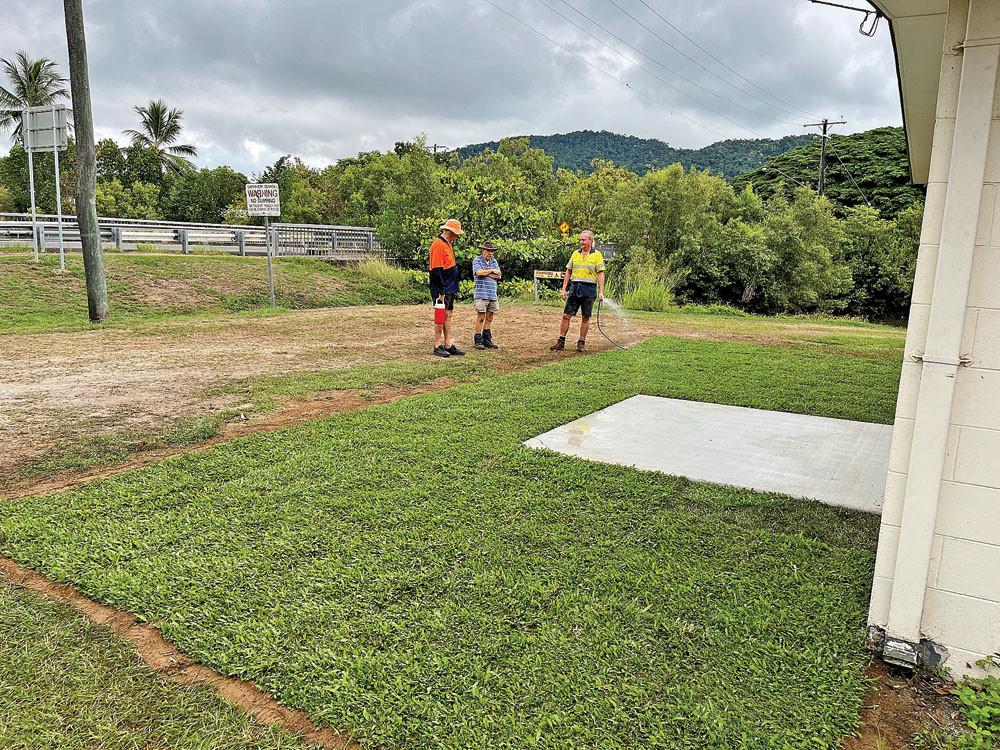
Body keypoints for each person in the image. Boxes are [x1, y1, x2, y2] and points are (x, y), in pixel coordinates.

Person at [551, 230, 605, 353]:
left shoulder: (597, 255)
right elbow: (568, 271)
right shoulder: (575, 254)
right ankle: (561, 341)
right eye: (580, 240)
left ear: (590, 241)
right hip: (575, 288)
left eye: (583, 240)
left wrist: (601, 292)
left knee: (586, 317)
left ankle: (581, 342)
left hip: (589, 289)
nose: (581, 242)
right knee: (566, 315)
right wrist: (564, 289)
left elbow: (600, 274)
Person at [429, 218, 465, 358]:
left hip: (450, 285)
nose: (457, 236)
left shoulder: (448, 244)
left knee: (448, 314)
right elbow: (436, 270)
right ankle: (438, 345)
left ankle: (448, 344)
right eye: (456, 233)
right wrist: (441, 291)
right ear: (450, 231)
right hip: (441, 287)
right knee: (440, 316)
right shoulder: (438, 245)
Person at [472, 240, 502, 350]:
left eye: (492, 251)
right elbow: (478, 272)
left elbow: (498, 276)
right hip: (481, 293)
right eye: (488, 251)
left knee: (489, 317)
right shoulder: (477, 260)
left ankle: (487, 338)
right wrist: (492, 271)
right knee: (480, 317)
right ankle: (478, 339)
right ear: (483, 250)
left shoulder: (494, 261)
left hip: (492, 294)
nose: (490, 253)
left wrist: (487, 273)